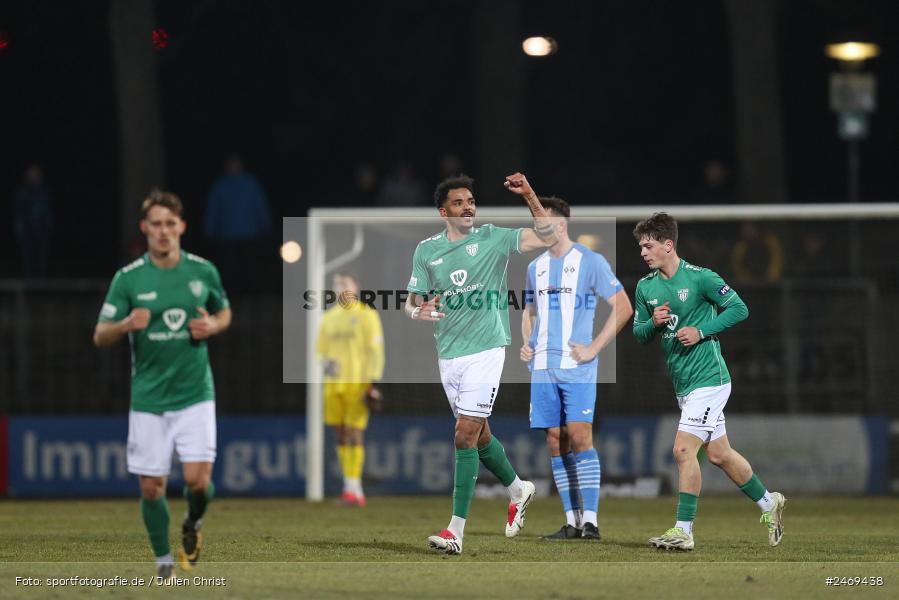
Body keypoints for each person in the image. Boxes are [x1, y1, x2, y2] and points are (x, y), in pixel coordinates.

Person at [405, 172, 557, 555]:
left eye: (471, 201)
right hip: (449, 355)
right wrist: (416, 312)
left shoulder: (493, 237)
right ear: (444, 211)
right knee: (479, 435)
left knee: (463, 434)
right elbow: (412, 299)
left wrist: (529, 195)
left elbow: (549, 237)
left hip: (487, 349)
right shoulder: (426, 251)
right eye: (459, 202)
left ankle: (455, 531)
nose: (468, 206)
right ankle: (518, 489)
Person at [94, 189, 232, 580]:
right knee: (152, 487)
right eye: (156, 224)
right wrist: (124, 325)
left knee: (197, 481)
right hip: (149, 398)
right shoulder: (129, 279)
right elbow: (100, 334)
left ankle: (193, 524)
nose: (164, 231)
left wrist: (213, 326)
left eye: (170, 223)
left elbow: (224, 311)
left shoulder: (203, 271)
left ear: (182, 227)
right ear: (145, 229)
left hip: (194, 394)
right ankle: (163, 562)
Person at [631, 212, 785, 551]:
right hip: (684, 385)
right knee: (720, 455)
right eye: (641, 247)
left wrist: (702, 331)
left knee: (683, 450)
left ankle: (683, 531)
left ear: (668, 245)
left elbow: (739, 308)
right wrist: (654, 324)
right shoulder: (646, 287)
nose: (643, 252)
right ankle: (768, 503)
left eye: (648, 245)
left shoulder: (701, 278)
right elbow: (639, 335)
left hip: (710, 379)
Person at [520, 196, 632, 540]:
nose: (540, 229)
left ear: (562, 225)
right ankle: (571, 520)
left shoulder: (590, 261)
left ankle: (592, 522)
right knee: (556, 440)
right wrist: (527, 342)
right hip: (542, 368)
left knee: (581, 436)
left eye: (545, 224)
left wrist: (594, 347)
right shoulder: (534, 267)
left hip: (577, 366)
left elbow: (623, 306)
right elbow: (529, 311)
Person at [316, 272, 385, 507]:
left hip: (358, 383)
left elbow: (375, 351)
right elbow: (320, 351)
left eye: (345, 283)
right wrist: (326, 362)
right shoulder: (329, 317)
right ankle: (350, 486)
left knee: (355, 433)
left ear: (355, 287)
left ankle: (355, 489)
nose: (340, 287)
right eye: (336, 284)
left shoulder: (366, 315)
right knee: (341, 434)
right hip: (333, 385)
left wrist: (373, 382)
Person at [203, 154, 272, 290]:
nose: (233, 167)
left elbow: (260, 205)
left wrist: (265, 225)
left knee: (250, 265)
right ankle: (233, 293)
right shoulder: (220, 185)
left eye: (236, 164)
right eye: (231, 165)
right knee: (230, 267)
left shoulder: (251, 183)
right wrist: (210, 230)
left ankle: (252, 292)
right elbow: (213, 209)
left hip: (250, 233)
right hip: (227, 234)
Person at [12, 163, 53, 279]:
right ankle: (29, 282)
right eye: (32, 174)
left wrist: (48, 225)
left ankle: (41, 282)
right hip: (27, 231)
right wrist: (19, 226)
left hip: (41, 231)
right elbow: (18, 212)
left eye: (36, 174)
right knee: (28, 258)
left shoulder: (44, 192)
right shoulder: (22, 192)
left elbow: (48, 210)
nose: (34, 176)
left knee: (41, 258)